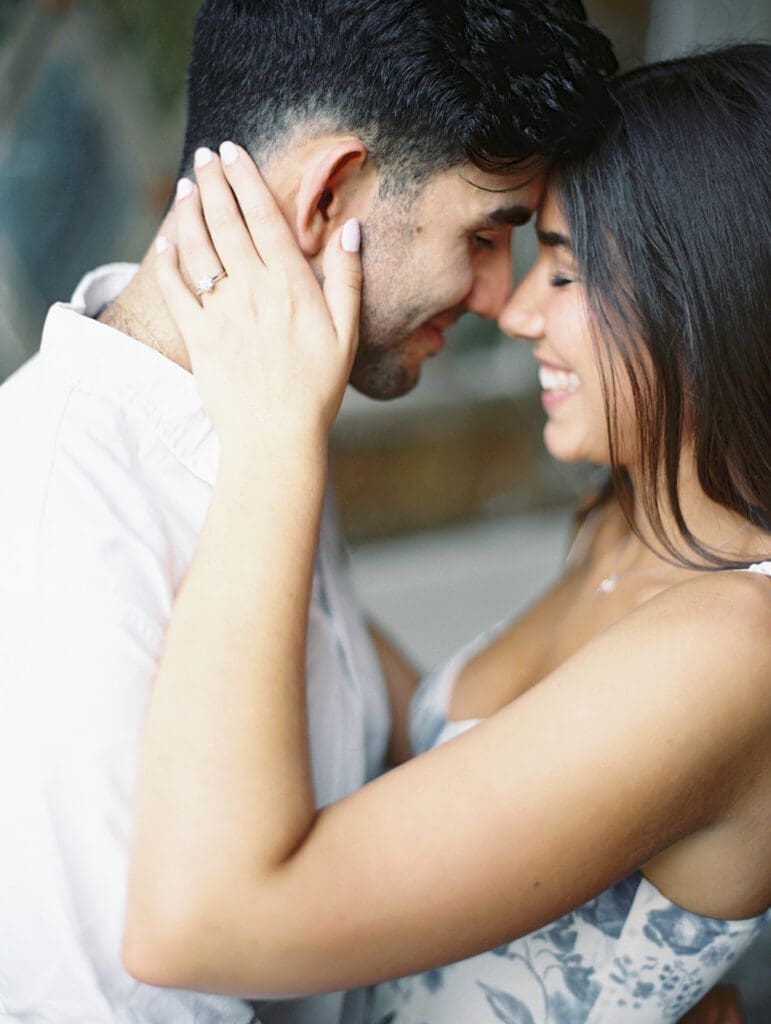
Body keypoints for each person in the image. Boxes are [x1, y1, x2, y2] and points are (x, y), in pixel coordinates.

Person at [121, 45, 770, 1024]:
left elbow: (197, 924)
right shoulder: (634, 517)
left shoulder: (730, 649)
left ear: (708, 296)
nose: (512, 311)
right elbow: (479, 755)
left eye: (566, 269)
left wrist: (276, 445)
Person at [0, 3, 622, 1023]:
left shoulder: (262, 399)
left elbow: (361, 720)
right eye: (485, 232)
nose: (494, 297)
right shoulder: (51, 548)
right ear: (331, 199)